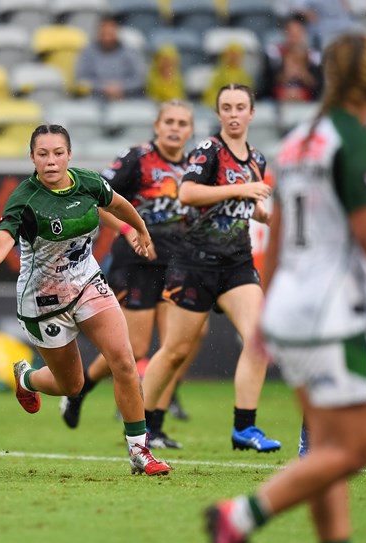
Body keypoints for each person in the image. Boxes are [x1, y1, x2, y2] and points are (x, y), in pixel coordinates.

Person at [207, 32, 366, 543]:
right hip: (332, 312)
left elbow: (283, 230)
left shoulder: (296, 139)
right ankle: (240, 515)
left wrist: (268, 309)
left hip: (292, 305)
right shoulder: (358, 139)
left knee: (327, 445)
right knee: (357, 446)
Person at [0, 124, 171, 476]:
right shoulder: (25, 198)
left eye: (57, 153)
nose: (51, 161)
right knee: (73, 385)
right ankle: (27, 380)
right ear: (32, 158)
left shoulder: (87, 182)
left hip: (87, 284)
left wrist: (139, 229)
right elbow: (0, 246)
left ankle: (139, 452)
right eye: (42, 154)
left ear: (69, 154)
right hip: (43, 301)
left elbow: (120, 204)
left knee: (124, 362)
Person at [139, 83, 279, 453]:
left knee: (258, 339)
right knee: (174, 351)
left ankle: (244, 428)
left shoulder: (257, 160)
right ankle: (141, 427)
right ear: (219, 115)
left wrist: (265, 213)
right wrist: (240, 192)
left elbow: (250, 207)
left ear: (252, 113)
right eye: (227, 108)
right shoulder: (209, 150)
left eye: (240, 108)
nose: (233, 114)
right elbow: (187, 193)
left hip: (237, 263)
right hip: (195, 264)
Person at [59, 100, 205, 449]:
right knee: (136, 347)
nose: (175, 128)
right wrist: (129, 231)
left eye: (182, 123)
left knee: (176, 348)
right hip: (136, 263)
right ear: (156, 125)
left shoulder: (195, 166)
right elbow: (97, 201)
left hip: (178, 264)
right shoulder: (137, 158)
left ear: (190, 129)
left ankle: (155, 426)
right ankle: (80, 391)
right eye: (168, 121)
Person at [74, 15, 146, 101]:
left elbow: (139, 78)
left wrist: (121, 87)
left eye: (110, 33)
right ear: (98, 33)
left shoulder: (129, 51)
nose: (107, 37)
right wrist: (103, 87)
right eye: (104, 33)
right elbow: (81, 79)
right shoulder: (88, 52)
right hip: (94, 98)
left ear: (117, 32)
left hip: (126, 98)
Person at [261, 13, 322, 102]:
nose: (294, 37)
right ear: (284, 32)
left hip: (307, 102)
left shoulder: (314, 57)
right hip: (276, 101)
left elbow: (320, 89)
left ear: (304, 33)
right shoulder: (273, 54)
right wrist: (284, 75)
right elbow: (265, 86)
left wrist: (303, 74)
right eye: (290, 32)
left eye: (297, 32)